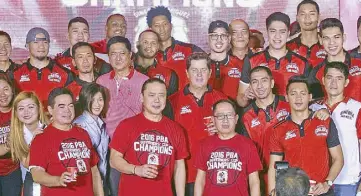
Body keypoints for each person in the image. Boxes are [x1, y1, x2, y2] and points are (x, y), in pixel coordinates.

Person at [109, 78, 189, 196]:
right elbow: (113, 160)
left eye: (161, 95)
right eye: (151, 95)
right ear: (142, 98)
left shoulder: (176, 129)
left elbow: (179, 166)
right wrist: (136, 169)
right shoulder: (127, 125)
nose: (157, 100)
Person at [268, 76, 344, 196]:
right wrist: (272, 192)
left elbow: (338, 158)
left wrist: (327, 183)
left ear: (310, 97)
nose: (298, 98)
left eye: (303, 93)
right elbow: (273, 166)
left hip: (321, 191)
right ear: (287, 97)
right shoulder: (278, 129)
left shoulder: (325, 121)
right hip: (293, 191)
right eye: (293, 94)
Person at [317, 62, 361, 196]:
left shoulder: (358, 108)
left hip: (348, 179)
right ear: (323, 80)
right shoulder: (313, 108)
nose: (333, 83)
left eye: (339, 78)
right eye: (329, 77)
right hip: (319, 181)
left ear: (346, 82)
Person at [168, 52, 228, 196]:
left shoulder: (223, 100)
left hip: (216, 173)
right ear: (187, 73)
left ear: (210, 72)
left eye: (203, 70)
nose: (199, 74)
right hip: (185, 175)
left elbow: (234, 139)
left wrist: (223, 131)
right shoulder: (172, 102)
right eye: (194, 70)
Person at [96, 36, 148, 196]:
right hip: (110, 148)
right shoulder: (101, 81)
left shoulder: (144, 81)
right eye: (113, 54)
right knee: (114, 189)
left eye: (122, 53)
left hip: (137, 147)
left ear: (130, 55)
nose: (117, 58)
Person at [29, 88, 104, 195]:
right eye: (61, 106)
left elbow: (94, 171)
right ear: (50, 110)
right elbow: (37, 174)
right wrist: (58, 180)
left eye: (70, 105)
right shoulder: (41, 138)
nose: (67, 110)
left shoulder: (83, 133)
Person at [237, 12, 311, 107]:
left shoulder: (302, 63)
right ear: (267, 32)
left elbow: (309, 98)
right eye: (273, 31)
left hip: (291, 119)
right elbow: (241, 100)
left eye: (282, 32)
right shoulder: (252, 60)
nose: (277, 36)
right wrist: (245, 97)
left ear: (288, 33)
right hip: (260, 119)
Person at [309, 18, 361, 107]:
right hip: (332, 120)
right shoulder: (316, 72)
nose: (331, 43)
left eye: (336, 37)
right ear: (320, 40)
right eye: (326, 38)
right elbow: (315, 106)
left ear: (343, 38)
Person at [194, 99, 262, 196]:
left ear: (236, 119)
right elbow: (200, 180)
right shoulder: (204, 145)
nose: (225, 120)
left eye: (229, 115)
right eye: (220, 116)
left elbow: (254, 181)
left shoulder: (248, 145)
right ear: (213, 120)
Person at [240, 66, 290, 194]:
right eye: (255, 82)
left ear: (272, 83)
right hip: (261, 179)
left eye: (264, 80)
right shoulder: (245, 116)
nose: (260, 86)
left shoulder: (289, 104)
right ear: (250, 86)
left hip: (291, 174)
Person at [11, 27, 74, 107]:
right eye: (36, 42)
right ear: (27, 46)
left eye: (45, 42)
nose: (41, 46)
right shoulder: (14, 74)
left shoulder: (65, 74)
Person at [147, 6, 203, 89]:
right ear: (150, 29)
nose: (162, 29)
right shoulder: (146, 56)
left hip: (185, 101)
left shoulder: (190, 50)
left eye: (165, 24)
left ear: (171, 26)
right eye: (157, 25)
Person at [9, 91, 48, 196]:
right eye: (21, 109)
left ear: (38, 109)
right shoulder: (16, 134)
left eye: (31, 107)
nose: (26, 112)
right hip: (31, 179)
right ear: (16, 113)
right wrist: (35, 141)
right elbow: (27, 164)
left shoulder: (50, 128)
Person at [73, 83, 109, 193]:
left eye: (100, 99)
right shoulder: (79, 124)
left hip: (102, 180)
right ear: (85, 100)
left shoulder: (102, 124)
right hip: (86, 182)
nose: (97, 104)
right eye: (92, 100)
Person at [207, 20, 244, 100]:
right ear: (209, 38)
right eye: (214, 35)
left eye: (223, 35)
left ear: (229, 38)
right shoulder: (199, 64)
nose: (219, 40)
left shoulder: (240, 65)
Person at [134, 29, 179, 96]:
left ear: (158, 46)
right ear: (137, 44)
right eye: (145, 42)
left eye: (153, 43)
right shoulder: (125, 70)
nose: (149, 46)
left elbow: (171, 103)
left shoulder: (169, 75)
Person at [287, 0, 326, 67]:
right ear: (297, 18)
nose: (307, 18)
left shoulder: (329, 45)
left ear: (319, 17)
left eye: (312, 14)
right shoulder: (288, 47)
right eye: (303, 14)